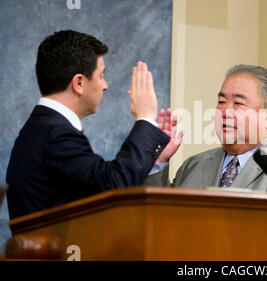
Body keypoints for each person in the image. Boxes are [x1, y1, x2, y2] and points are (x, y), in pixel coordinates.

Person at [6, 30, 170, 219]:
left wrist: (155, 158)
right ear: (79, 83)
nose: (105, 85)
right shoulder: (56, 135)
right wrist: (146, 118)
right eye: (101, 76)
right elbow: (112, 188)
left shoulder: (41, 127)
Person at [145, 64, 267, 194]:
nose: (225, 111)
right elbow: (160, 214)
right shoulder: (194, 165)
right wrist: (160, 160)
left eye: (238, 103)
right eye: (221, 102)